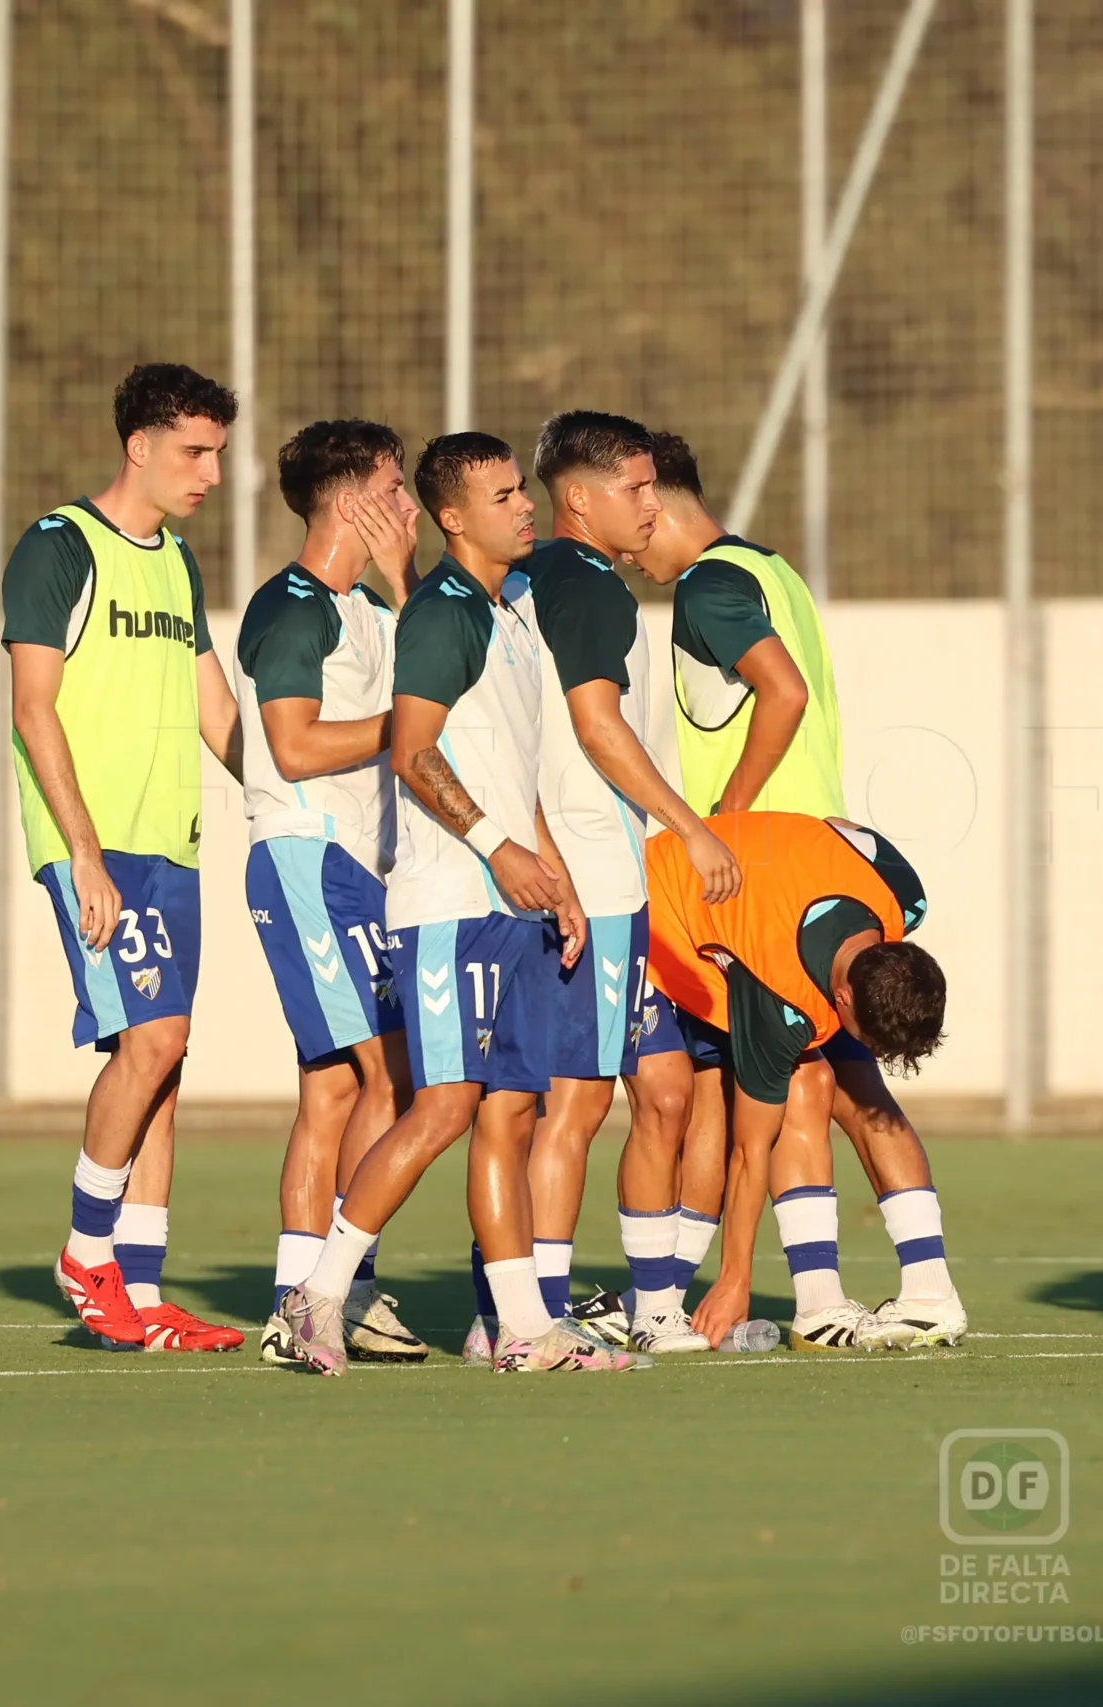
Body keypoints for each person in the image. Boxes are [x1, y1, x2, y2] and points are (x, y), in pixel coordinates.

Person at [273, 432, 628, 1377]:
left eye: (523, 490)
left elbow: (514, 776)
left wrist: (556, 877)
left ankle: (523, 1330)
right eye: (504, 495)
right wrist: (498, 849)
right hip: (451, 905)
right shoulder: (441, 613)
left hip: (512, 900)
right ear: (453, 518)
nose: (525, 506)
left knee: (510, 1110)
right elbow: (412, 751)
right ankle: (313, 1299)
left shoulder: (510, 615)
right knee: (441, 1108)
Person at [632, 432, 967, 1349]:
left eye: (634, 526)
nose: (630, 551)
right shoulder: (773, 570)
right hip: (829, 861)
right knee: (849, 1090)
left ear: (655, 499)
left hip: (759, 890)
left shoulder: (707, 584)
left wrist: (721, 827)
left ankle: (795, 1298)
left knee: (784, 1092)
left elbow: (780, 695)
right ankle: (917, 1287)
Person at [480, 408, 743, 1360]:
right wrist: (690, 826)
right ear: (580, 501)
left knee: (665, 1085)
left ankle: (653, 1305)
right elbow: (595, 729)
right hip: (592, 874)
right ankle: (531, 1316)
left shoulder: (541, 577)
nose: (653, 501)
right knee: (576, 1102)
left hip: (598, 873)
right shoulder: (587, 587)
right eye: (635, 487)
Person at [5, 362, 246, 1354]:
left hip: (171, 845)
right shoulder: (60, 549)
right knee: (152, 1037)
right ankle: (84, 1252)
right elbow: (32, 708)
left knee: (163, 1057)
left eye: (220, 453)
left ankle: (140, 1301)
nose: (212, 473)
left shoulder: (177, 564)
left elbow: (217, 712)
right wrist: (86, 854)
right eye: (195, 451)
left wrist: (291, 807)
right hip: (94, 849)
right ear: (139, 447)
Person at [238, 419, 432, 1368]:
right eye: (394, 488)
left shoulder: (374, 608)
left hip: (360, 867)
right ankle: (331, 1292)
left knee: (332, 1087)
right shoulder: (295, 605)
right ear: (351, 499)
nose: (409, 506)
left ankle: (306, 1298)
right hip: (310, 859)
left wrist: (404, 585)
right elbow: (294, 746)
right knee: (390, 1074)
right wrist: (404, 725)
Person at [639, 812, 948, 1355]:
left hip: (768, 897)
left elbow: (841, 826)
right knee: (751, 1090)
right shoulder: (778, 995)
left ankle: (915, 1293)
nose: (873, 1051)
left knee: (841, 1082)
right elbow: (749, 1149)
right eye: (874, 1040)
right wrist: (736, 1279)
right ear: (846, 997)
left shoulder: (904, 899)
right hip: (661, 917)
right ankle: (662, 1299)